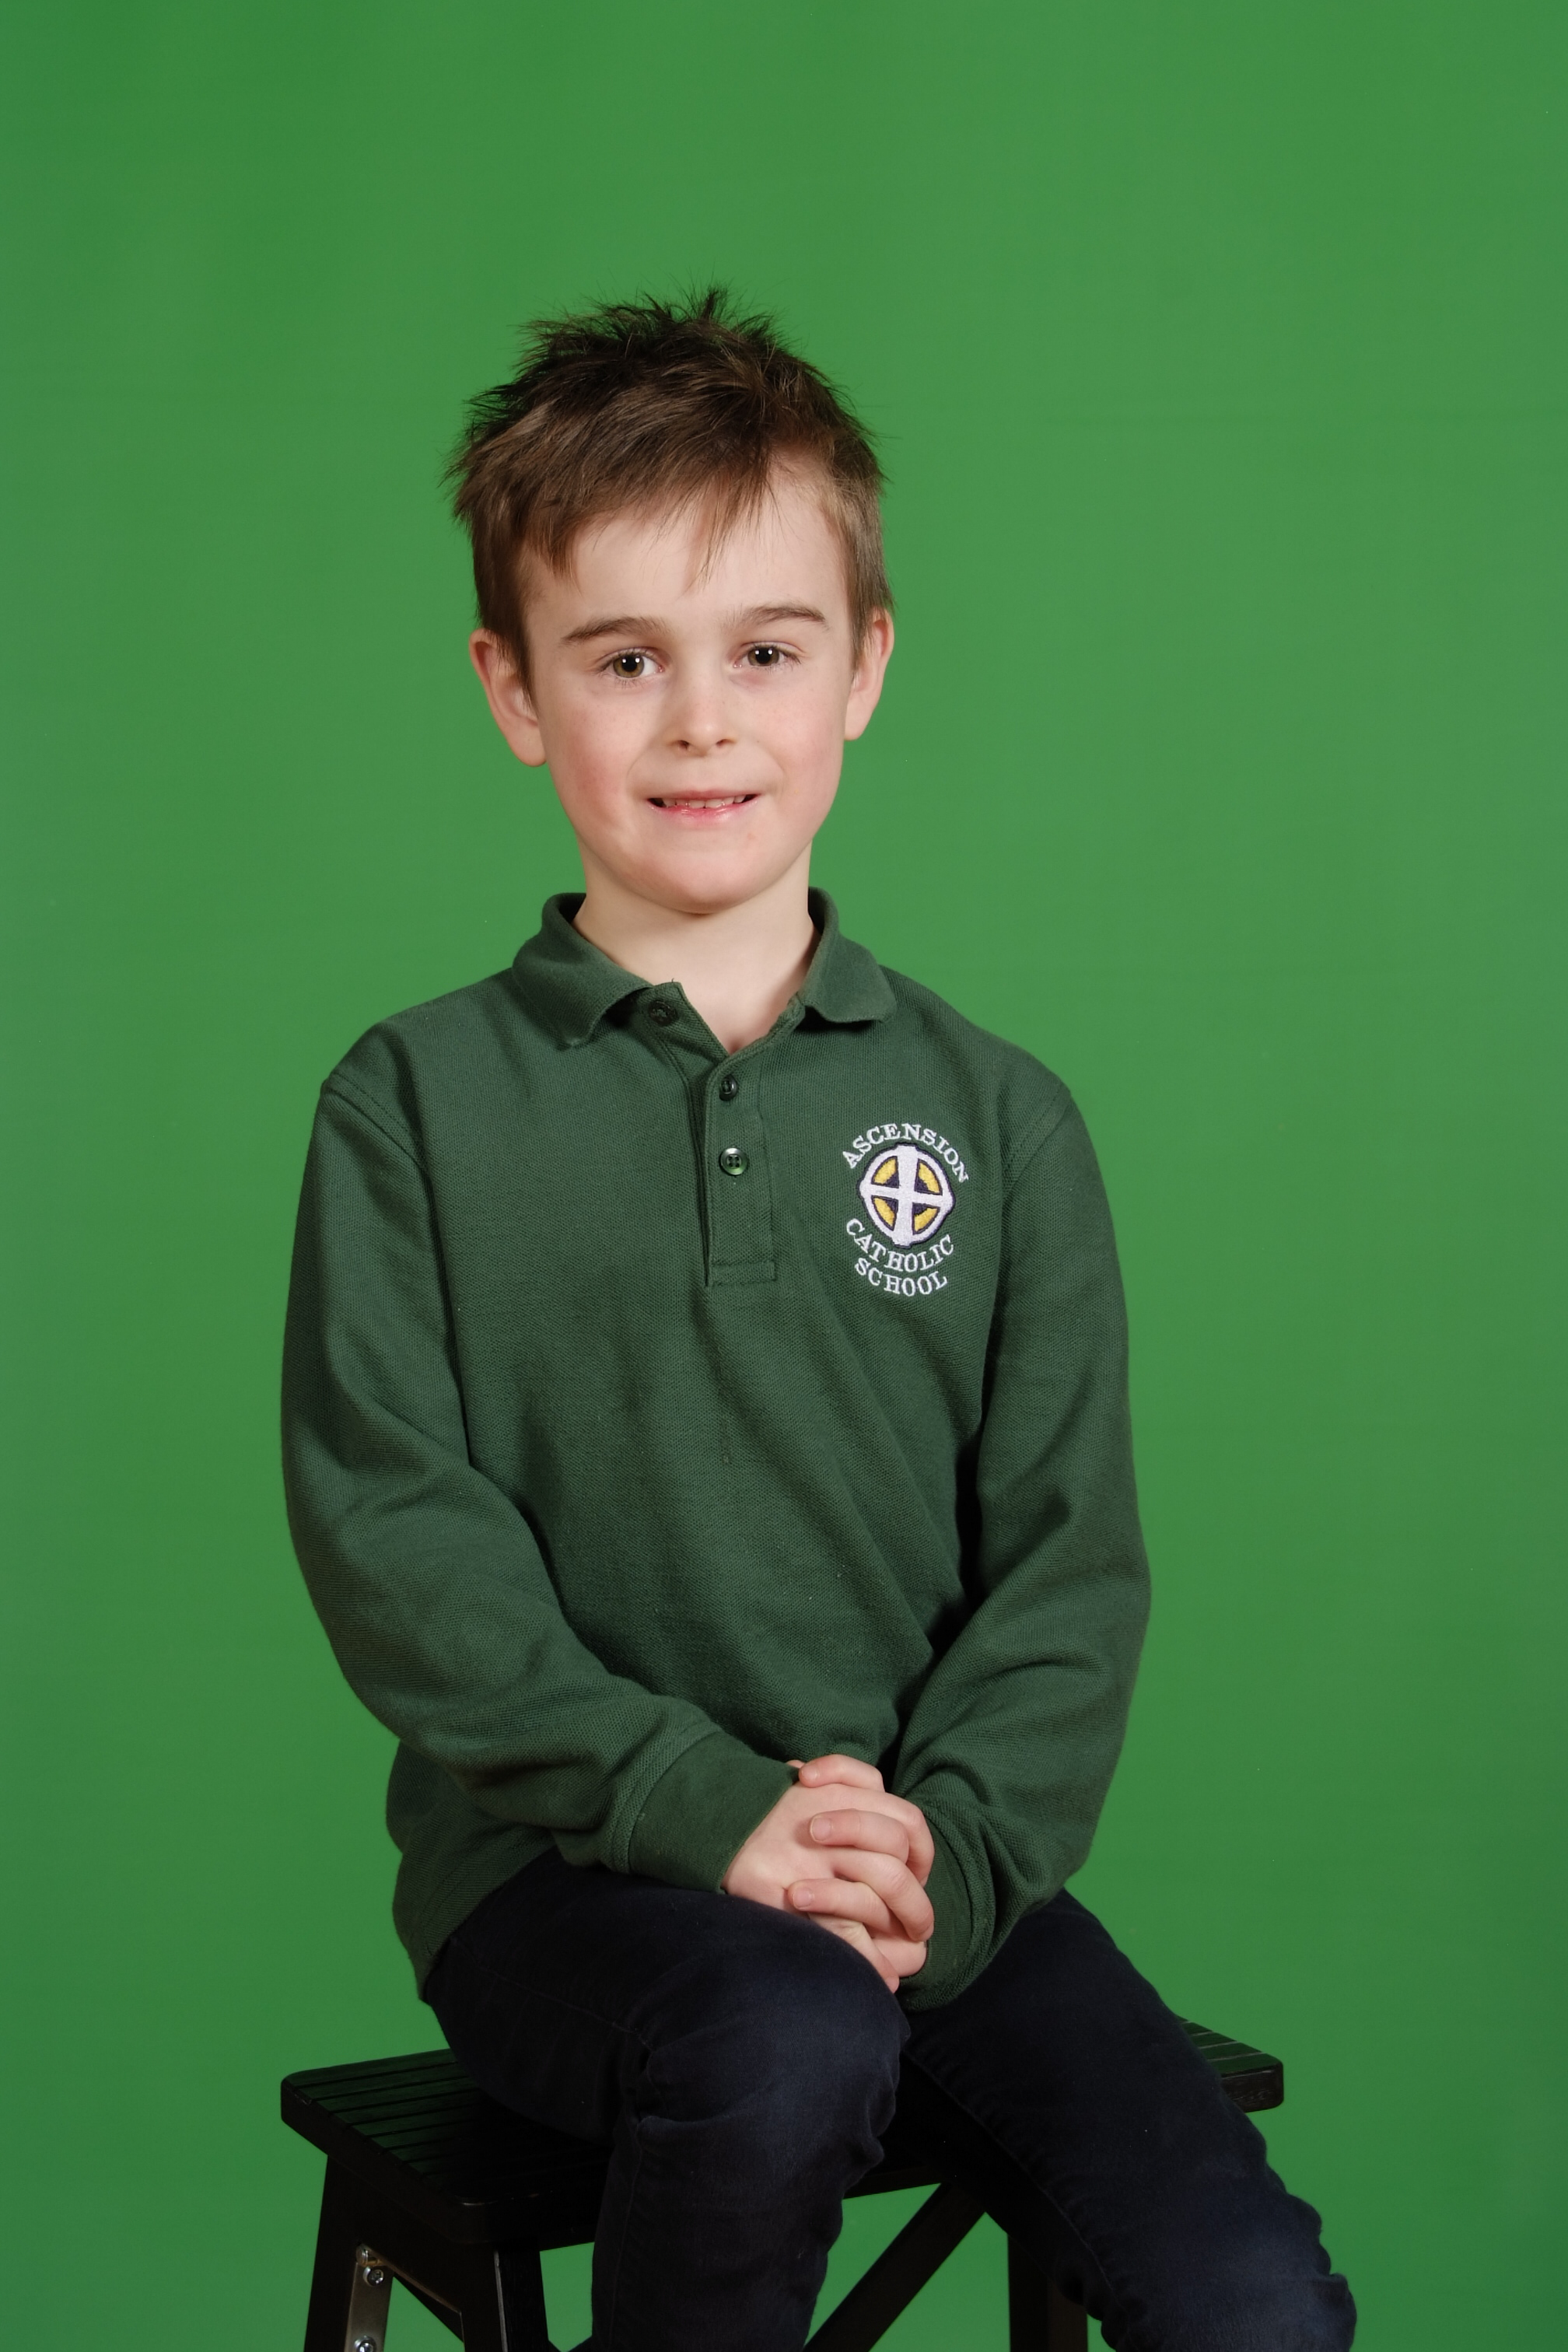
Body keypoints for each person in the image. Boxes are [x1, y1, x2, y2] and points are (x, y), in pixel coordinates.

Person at [282, 290, 1354, 2350]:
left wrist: (931, 1856)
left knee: (1250, 2302)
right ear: (514, 691)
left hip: (931, 1874)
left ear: (863, 665)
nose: (702, 723)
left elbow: (1068, 1569)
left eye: (765, 651)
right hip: (565, 1890)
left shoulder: (1002, 1120)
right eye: (625, 660)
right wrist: (718, 1817)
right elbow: (402, 1551)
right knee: (783, 2042)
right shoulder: (411, 1104)